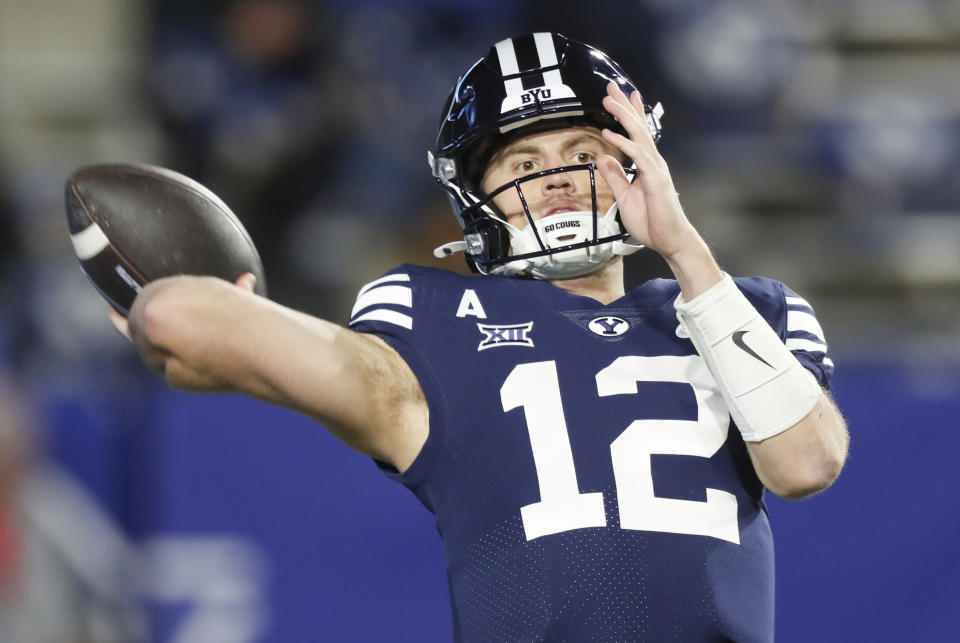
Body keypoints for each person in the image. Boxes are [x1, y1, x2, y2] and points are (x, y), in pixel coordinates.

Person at [110, 33, 848, 642]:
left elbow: (805, 462)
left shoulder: (742, 309)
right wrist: (208, 314)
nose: (554, 179)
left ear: (639, 166)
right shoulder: (431, 318)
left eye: (581, 153)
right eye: (523, 164)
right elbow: (178, 319)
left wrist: (687, 252)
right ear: (475, 197)